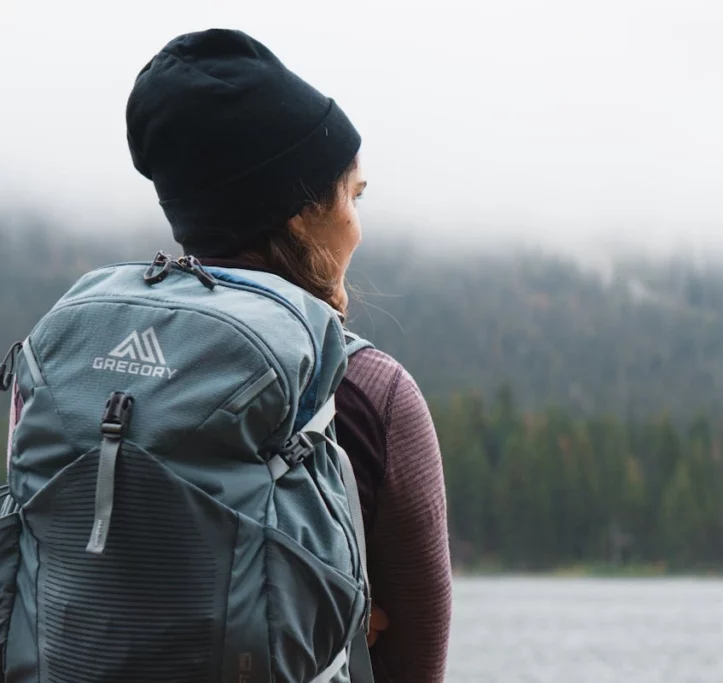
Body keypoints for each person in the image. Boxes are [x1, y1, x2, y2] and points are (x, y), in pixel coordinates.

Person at [8, 28, 453, 683]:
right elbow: (416, 662)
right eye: (353, 196)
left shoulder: (72, 360)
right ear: (301, 212)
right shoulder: (365, 389)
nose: (359, 225)